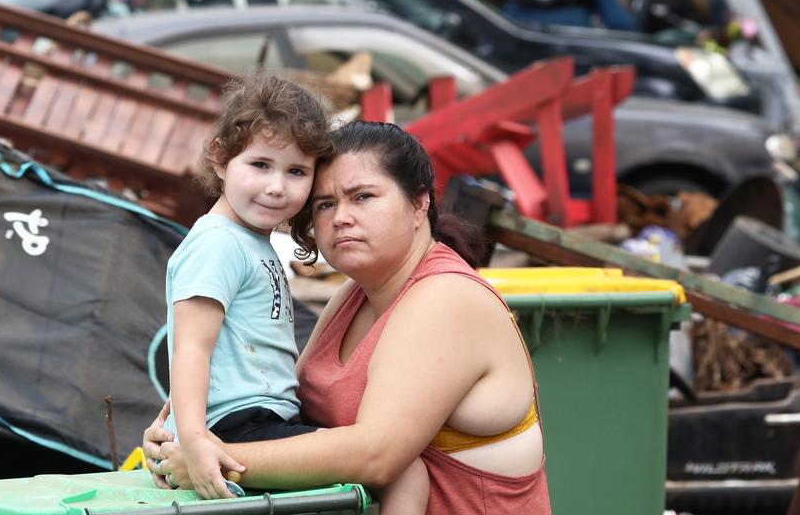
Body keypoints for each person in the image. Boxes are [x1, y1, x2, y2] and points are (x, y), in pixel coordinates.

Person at [146, 121, 551, 514]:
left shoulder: (446, 297)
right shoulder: (353, 296)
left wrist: (210, 458)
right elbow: (287, 411)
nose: (341, 217)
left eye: (362, 197)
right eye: (325, 204)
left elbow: (377, 457)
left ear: (418, 203)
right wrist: (185, 432)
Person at [162, 74, 430, 514]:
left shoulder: (249, 241)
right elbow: (192, 346)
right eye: (260, 165)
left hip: (256, 419)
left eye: (296, 172)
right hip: (234, 426)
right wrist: (193, 440)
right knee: (406, 471)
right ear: (220, 158)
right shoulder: (217, 243)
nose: (276, 187)